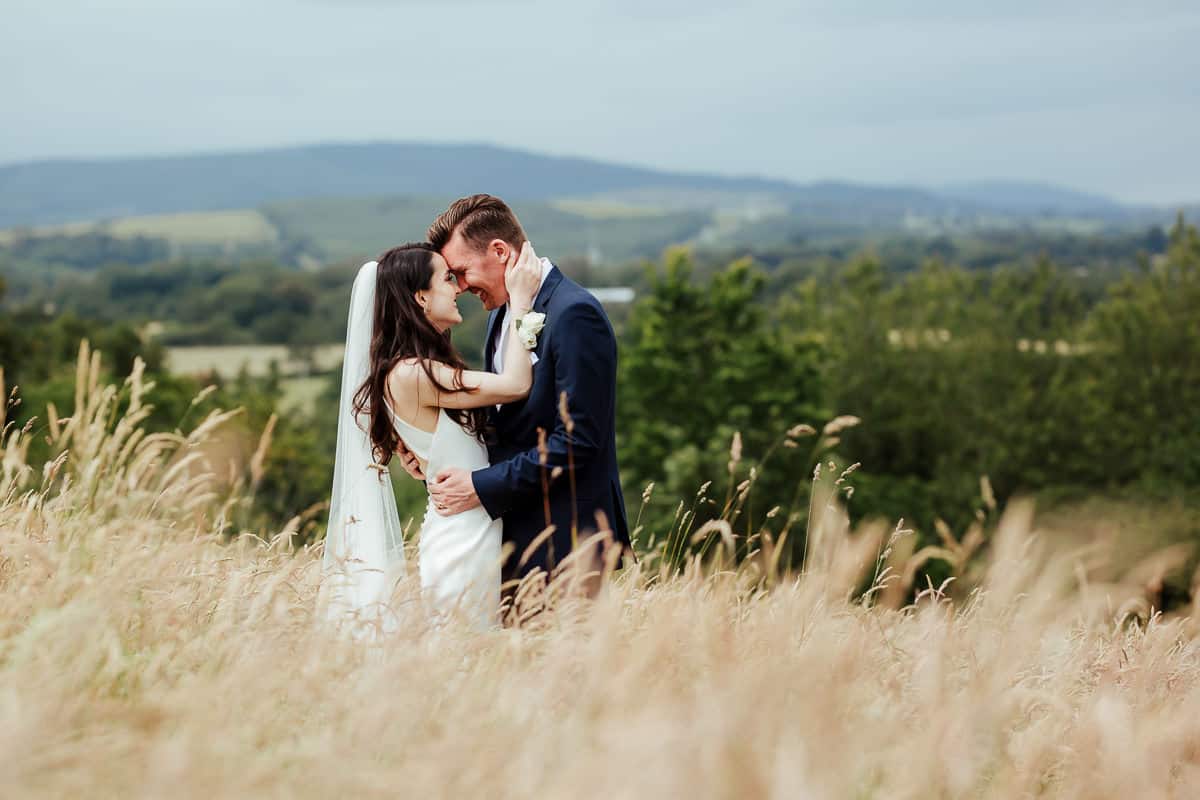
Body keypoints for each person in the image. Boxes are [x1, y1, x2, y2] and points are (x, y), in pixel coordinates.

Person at [411, 194, 632, 608]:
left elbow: (579, 442)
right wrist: (429, 449)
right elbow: (505, 422)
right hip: (512, 533)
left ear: (499, 251)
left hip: (566, 540)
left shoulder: (575, 314)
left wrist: (480, 486)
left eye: (462, 271)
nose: (459, 286)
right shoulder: (504, 312)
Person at [322, 240, 542, 631]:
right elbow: (514, 384)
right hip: (463, 539)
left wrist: (421, 456)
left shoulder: (413, 370)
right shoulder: (413, 373)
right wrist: (521, 304)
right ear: (421, 297)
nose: (458, 288)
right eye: (447, 278)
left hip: (469, 528)